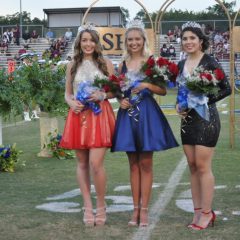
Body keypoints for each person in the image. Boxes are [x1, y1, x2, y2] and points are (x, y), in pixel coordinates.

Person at [111, 20, 178, 227]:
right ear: (126, 42)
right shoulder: (121, 65)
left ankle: (146, 211)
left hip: (147, 114)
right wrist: (119, 99)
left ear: (143, 40)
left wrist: (146, 84)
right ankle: (135, 210)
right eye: (130, 39)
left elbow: (163, 90)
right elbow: (117, 90)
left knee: (146, 163)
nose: (133, 42)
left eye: (137, 39)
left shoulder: (152, 62)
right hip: (127, 115)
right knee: (132, 164)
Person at [175, 21, 231, 230]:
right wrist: (179, 105)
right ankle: (197, 211)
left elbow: (226, 88)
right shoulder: (181, 64)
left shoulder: (210, 61)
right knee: (192, 166)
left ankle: (207, 214)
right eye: (185, 38)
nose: (188, 42)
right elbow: (181, 92)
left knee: (202, 166)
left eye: (192, 38)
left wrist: (205, 99)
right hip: (187, 121)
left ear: (200, 41)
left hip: (206, 119)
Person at [59, 23, 115, 227]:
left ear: (96, 42)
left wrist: (102, 94)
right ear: (79, 42)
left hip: (99, 117)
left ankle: (101, 205)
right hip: (78, 116)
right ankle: (87, 206)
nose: (88, 44)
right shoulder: (72, 64)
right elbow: (67, 93)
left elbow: (114, 91)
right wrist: (71, 102)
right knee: (81, 163)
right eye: (84, 40)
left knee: (95, 163)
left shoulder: (106, 63)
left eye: (91, 40)